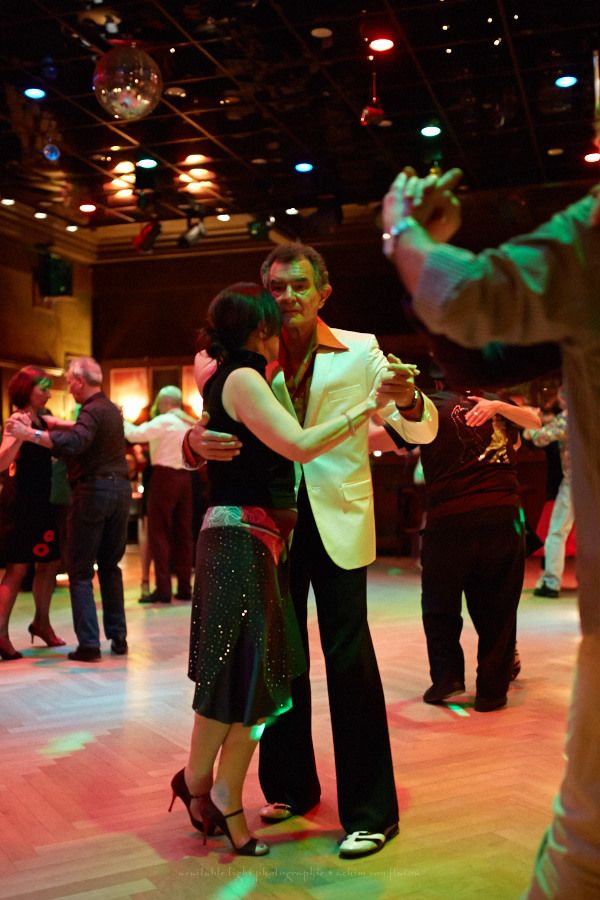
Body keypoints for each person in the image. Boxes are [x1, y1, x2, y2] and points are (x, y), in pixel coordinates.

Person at [382, 167, 600, 899]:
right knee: (479, 608)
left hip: (472, 520)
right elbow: (478, 359)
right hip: (474, 519)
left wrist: (403, 231)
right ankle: (472, 685)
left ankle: (471, 683)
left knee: (583, 855)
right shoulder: (442, 406)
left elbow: (467, 303)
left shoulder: (594, 233)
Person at [188, 242, 439, 858]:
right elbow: (216, 426)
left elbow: (420, 427)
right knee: (278, 662)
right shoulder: (246, 358)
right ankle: (290, 787)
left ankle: (371, 812)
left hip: (337, 523)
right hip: (267, 530)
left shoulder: (359, 348)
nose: (288, 297)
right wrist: (194, 442)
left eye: (300, 285)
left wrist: (408, 398)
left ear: (323, 292)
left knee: (350, 662)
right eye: (277, 287)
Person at [392, 370, 541, 711]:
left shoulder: (427, 404)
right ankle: (492, 692)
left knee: (439, 604)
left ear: (438, 381)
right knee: (499, 608)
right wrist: (498, 409)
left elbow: (390, 442)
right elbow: (527, 430)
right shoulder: (495, 401)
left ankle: (447, 678)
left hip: (451, 519)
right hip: (502, 516)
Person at [7, 357, 131, 662]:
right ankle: (117, 636)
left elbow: (76, 440)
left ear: (79, 381)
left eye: (68, 383)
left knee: (76, 570)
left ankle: (86, 643)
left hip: (88, 493)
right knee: (108, 567)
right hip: (111, 492)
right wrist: (34, 430)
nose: (57, 391)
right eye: (44, 388)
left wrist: (32, 434)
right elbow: (75, 431)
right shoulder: (109, 409)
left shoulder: (87, 412)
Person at [0, 367, 66, 660]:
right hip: (20, 504)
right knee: (17, 568)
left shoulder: (41, 418)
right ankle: (1, 634)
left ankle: (41, 623)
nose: (49, 394)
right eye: (44, 388)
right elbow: (2, 462)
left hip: (41, 502)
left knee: (49, 563)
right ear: (28, 391)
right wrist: (19, 437)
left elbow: (67, 426)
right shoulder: (17, 420)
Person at [123, 386, 195, 604]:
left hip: (164, 478)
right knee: (184, 533)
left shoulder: (164, 421)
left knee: (159, 532)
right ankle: (185, 587)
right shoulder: (187, 422)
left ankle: (163, 589)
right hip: (186, 478)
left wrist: (121, 418)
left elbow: (134, 435)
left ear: (164, 402)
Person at [523, 390, 574, 599]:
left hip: (575, 481)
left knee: (557, 532)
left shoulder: (569, 417)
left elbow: (539, 438)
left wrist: (527, 420)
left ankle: (551, 582)